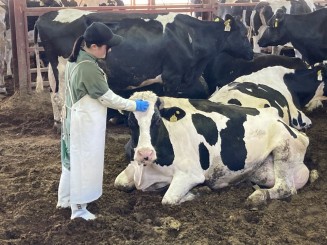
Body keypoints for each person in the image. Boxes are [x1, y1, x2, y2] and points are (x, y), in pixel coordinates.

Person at [56, 22, 149, 220]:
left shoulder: (75, 60)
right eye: (107, 45)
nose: (110, 49)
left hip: (73, 118)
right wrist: (134, 106)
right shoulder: (88, 68)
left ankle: (64, 199)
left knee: (71, 161)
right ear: (95, 46)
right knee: (84, 162)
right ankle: (78, 210)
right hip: (84, 123)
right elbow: (107, 98)